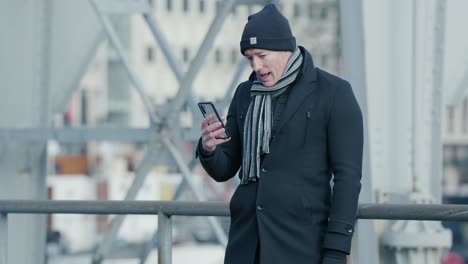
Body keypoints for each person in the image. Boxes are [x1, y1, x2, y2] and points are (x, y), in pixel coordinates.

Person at [196, 4, 363, 264]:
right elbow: (225, 168)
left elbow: (348, 179)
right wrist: (209, 148)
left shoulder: (333, 93)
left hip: (302, 247)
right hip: (245, 245)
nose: (256, 65)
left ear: (285, 48)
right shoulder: (245, 94)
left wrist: (336, 250)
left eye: (261, 55)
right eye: (250, 58)